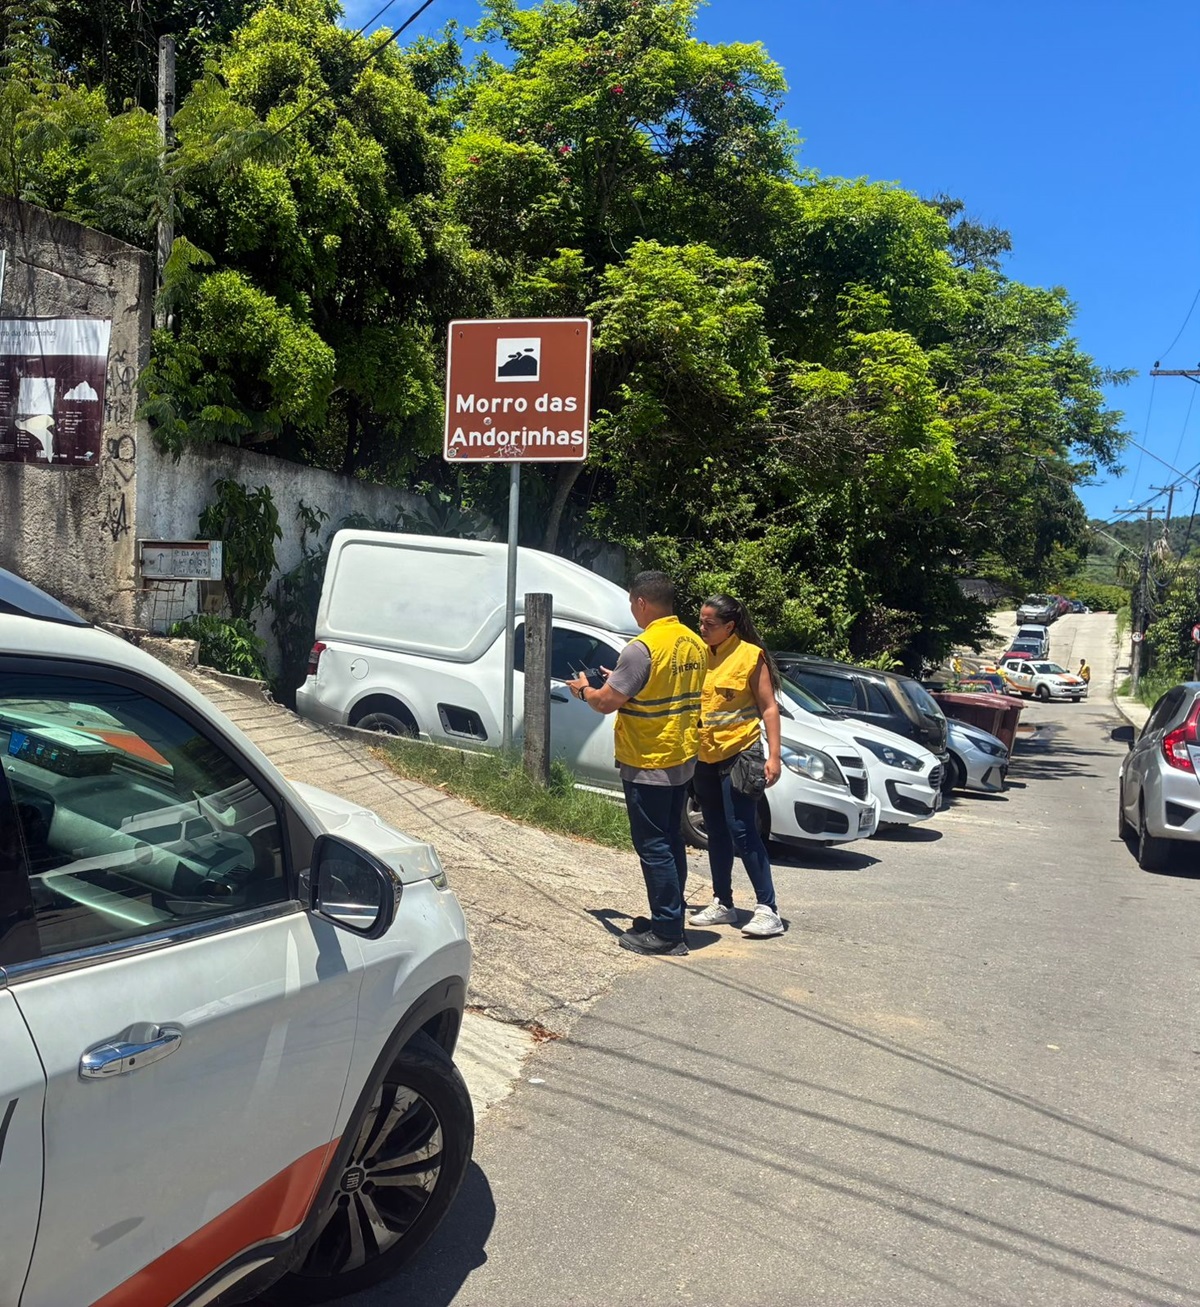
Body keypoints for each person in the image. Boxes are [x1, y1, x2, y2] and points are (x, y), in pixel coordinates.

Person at [566, 571, 707, 956]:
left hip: (649, 760)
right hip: (681, 756)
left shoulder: (641, 648)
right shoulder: (693, 643)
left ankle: (665, 933)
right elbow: (657, 686)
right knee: (671, 840)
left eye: (632, 604)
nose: (633, 610)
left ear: (642, 603)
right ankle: (669, 918)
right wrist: (621, 681)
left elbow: (606, 703)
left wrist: (584, 691)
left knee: (654, 845)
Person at [687, 595, 784, 939]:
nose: (702, 629)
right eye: (700, 622)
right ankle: (723, 902)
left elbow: (769, 708)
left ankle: (767, 909)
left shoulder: (749, 656)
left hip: (740, 752)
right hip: (704, 754)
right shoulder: (698, 654)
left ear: (729, 627)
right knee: (715, 830)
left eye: (709, 624)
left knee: (741, 828)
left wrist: (774, 756)